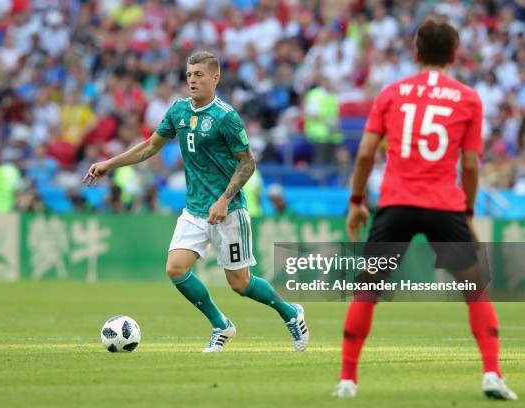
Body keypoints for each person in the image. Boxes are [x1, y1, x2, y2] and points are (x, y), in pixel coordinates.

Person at [333, 20, 517, 400]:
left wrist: (356, 202)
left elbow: (366, 153)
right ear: (454, 54)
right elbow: (469, 165)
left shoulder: (391, 93)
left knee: (367, 291)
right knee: (475, 289)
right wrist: (466, 212)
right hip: (443, 206)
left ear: (415, 53)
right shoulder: (468, 98)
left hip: (397, 203)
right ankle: (492, 374)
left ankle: (348, 380)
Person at [83, 51, 309, 353]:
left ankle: (291, 313)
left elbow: (247, 164)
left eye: (199, 75)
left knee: (240, 284)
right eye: (189, 75)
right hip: (194, 209)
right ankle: (221, 325)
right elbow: (151, 146)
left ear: (215, 78)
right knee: (175, 269)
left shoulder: (226, 117)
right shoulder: (178, 111)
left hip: (228, 212)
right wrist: (109, 164)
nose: (192, 80)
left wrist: (224, 200)